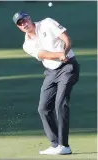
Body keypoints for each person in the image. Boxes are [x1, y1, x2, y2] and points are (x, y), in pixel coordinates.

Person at [13, 11, 80, 155]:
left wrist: (65, 51)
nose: (23, 24)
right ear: (18, 27)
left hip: (68, 67)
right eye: (20, 23)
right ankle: (55, 144)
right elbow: (43, 54)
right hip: (51, 72)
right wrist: (59, 55)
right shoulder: (27, 45)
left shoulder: (47, 23)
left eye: (24, 20)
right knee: (43, 108)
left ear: (29, 18)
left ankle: (64, 146)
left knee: (60, 103)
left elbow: (66, 38)